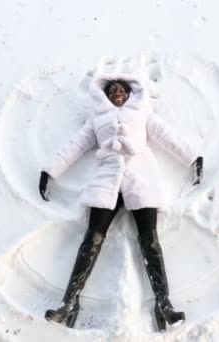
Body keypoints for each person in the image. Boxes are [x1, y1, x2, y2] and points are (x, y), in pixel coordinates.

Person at [39, 73, 204, 331]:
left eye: (122, 90)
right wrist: (50, 171)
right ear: (105, 95)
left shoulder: (142, 113)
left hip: (141, 181)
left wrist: (194, 157)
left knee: (150, 241)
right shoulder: (97, 119)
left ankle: (164, 305)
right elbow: (75, 146)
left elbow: (168, 137)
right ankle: (69, 303)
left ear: (129, 94)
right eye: (112, 90)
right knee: (91, 240)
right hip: (107, 183)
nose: (118, 93)